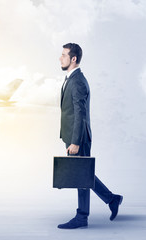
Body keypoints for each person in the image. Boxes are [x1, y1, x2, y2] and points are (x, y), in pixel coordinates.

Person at [57, 43, 123, 229]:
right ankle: (112, 199)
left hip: (79, 138)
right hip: (73, 136)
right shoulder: (71, 78)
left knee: (81, 175)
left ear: (73, 59)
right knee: (82, 173)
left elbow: (81, 114)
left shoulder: (77, 81)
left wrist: (75, 142)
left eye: (63, 55)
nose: (60, 58)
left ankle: (83, 216)